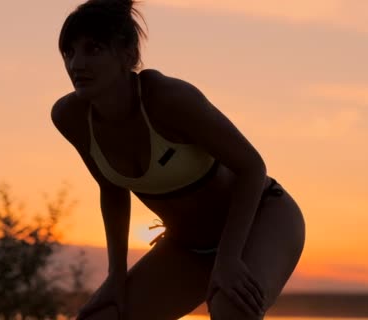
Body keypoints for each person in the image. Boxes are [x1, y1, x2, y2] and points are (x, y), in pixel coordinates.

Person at [51, 0, 306, 319]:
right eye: (69, 52)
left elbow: (252, 167)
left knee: (231, 309)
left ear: (128, 54)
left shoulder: (167, 98)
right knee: (102, 317)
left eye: (94, 49)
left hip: (262, 219)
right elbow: (113, 190)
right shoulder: (70, 117)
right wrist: (115, 277)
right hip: (188, 248)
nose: (77, 64)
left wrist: (228, 260)